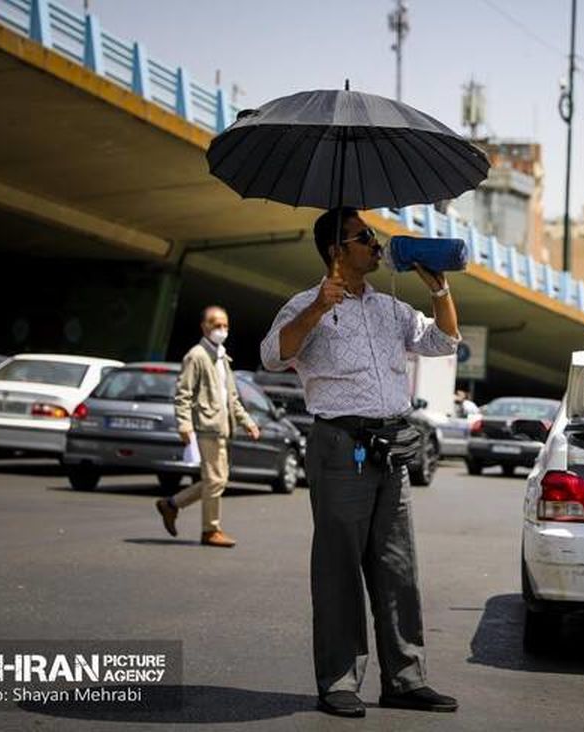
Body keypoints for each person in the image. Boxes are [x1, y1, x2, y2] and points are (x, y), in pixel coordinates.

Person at [260, 207, 460, 718]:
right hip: (339, 446)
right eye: (364, 237)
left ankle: (405, 678)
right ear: (336, 250)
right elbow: (271, 355)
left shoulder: (389, 308)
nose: (376, 244)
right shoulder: (305, 305)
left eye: (372, 235)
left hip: (390, 449)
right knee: (339, 569)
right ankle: (339, 681)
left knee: (398, 567)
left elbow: (442, 342)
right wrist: (316, 311)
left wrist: (439, 290)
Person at [155, 306, 260, 548]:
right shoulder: (197, 356)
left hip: (222, 427)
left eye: (225, 325)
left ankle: (171, 504)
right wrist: (184, 424)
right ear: (204, 327)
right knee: (215, 480)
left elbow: (231, 398)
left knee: (217, 480)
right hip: (206, 426)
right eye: (216, 325)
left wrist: (248, 422)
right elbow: (183, 393)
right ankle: (210, 530)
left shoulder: (222, 357)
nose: (221, 330)